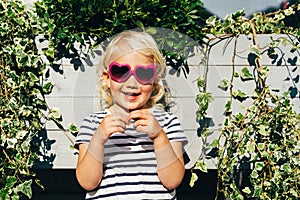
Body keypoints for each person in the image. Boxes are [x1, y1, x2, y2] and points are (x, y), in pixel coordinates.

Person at [75, 30, 188, 199]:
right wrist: (98, 138)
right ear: (107, 79)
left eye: (143, 74)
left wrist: (159, 137)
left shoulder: (167, 123)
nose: (132, 83)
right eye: (121, 72)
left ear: (155, 81)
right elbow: (87, 182)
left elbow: (172, 180)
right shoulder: (93, 124)